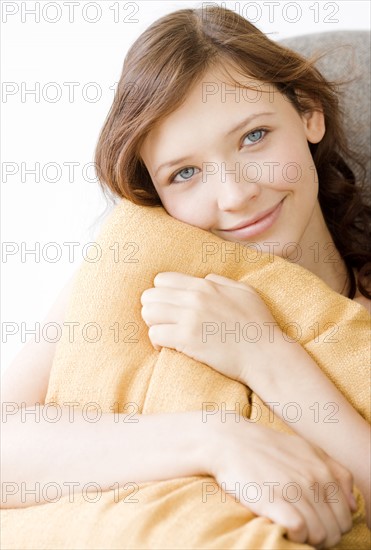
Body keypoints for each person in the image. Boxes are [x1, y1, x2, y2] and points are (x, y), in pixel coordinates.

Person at [2, 6, 370, 549]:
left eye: (254, 137)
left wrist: (266, 356)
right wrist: (214, 439)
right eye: (186, 173)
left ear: (309, 113)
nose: (235, 194)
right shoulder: (139, 260)